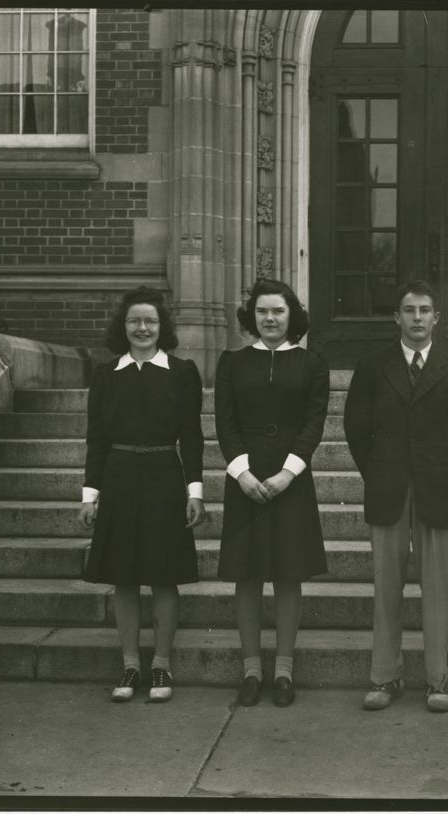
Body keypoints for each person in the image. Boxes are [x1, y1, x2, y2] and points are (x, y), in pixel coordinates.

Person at [343, 280, 448, 713]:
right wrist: (381, 471)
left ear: (437, 317)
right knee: (387, 587)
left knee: (437, 588)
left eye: (424, 310)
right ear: (395, 317)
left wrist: (435, 469)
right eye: (408, 310)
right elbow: (356, 429)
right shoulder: (373, 367)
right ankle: (385, 676)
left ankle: (438, 680)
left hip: (435, 487)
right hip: (388, 488)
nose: (417, 318)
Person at [80, 287, 206, 704]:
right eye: (134, 320)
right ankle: (131, 664)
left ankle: (162, 665)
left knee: (164, 575)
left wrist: (195, 492)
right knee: (125, 577)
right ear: (124, 326)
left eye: (150, 320)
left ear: (162, 326)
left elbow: (191, 436)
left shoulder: (182, 371)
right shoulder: (105, 373)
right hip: (118, 478)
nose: (142, 328)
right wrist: (89, 494)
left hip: (164, 478)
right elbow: (96, 438)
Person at [215, 278, 329, 708]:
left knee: (287, 573)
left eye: (278, 311)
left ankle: (282, 670)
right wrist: (242, 473)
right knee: (247, 574)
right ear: (252, 316)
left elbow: (313, 423)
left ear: (291, 316)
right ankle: (250, 670)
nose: (269, 319)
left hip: (291, 479)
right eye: (262, 311)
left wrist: (288, 474)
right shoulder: (232, 363)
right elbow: (224, 422)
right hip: (244, 476)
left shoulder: (313, 364)